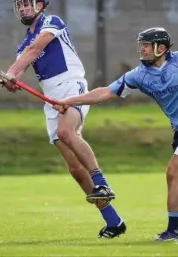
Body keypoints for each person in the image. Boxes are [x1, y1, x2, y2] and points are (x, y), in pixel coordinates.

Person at [3, 0, 126, 238]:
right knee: (74, 168)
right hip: (49, 96)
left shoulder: (51, 22)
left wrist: (12, 71)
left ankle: (101, 182)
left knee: (66, 131)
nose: (24, 9)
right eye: (20, 6)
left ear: (40, 5)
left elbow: (34, 51)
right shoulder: (23, 43)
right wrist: (11, 81)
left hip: (71, 85)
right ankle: (113, 221)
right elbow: (23, 66)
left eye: (28, 4)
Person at [53, 27, 178, 242]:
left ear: (162, 48)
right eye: (142, 45)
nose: (142, 49)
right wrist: (70, 101)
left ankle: (174, 230)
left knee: (174, 172)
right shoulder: (140, 75)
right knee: (174, 174)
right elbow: (104, 92)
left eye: (146, 45)